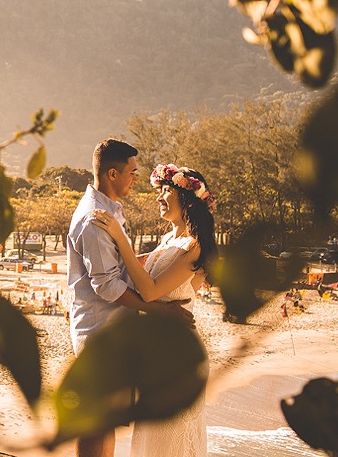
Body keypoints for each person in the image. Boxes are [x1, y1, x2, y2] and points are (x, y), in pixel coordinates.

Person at [67, 140, 194, 457]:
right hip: (100, 331)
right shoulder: (95, 220)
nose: (136, 179)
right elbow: (108, 286)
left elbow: (116, 265)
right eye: (133, 173)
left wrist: (162, 255)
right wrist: (159, 311)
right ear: (113, 173)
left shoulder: (109, 211)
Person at [91, 163, 219, 457]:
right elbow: (133, 269)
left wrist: (119, 235)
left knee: (169, 438)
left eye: (165, 190)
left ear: (186, 198)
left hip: (177, 352)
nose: (159, 197)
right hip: (157, 348)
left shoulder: (194, 245)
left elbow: (149, 290)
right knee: (152, 438)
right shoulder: (168, 239)